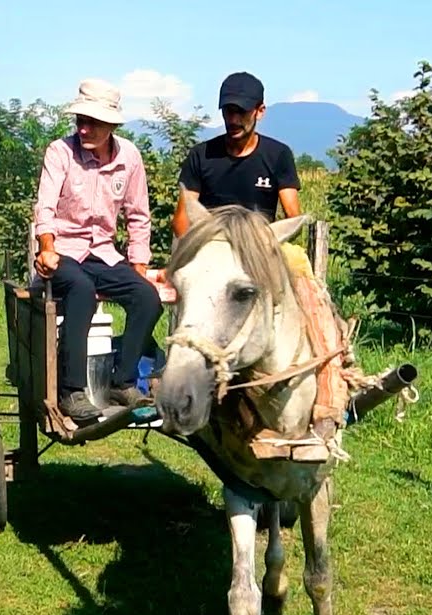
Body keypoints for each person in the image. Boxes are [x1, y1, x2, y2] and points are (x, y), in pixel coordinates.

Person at [32, 78, 163, 425]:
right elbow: (44, 209)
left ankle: (122, 380)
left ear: (112, 126)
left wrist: (138, 265)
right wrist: (46, 249)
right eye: (80, 121)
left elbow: (138, 215)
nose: (84, 128)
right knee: (81, 290)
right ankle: (71, 390)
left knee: (148, 298)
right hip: (63, 251)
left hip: (104, 252)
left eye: (93, 122)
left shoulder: (129, 157)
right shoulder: (60, 152)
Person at [172, 71, 302, 237]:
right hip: (210, 247)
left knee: (298, 261)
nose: (233, 120)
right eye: (228, 111)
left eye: (241, 112)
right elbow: (180, 220)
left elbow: (292, 216)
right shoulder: (201, 155)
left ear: (260, 111)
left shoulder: (278, 155)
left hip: (258, 248)